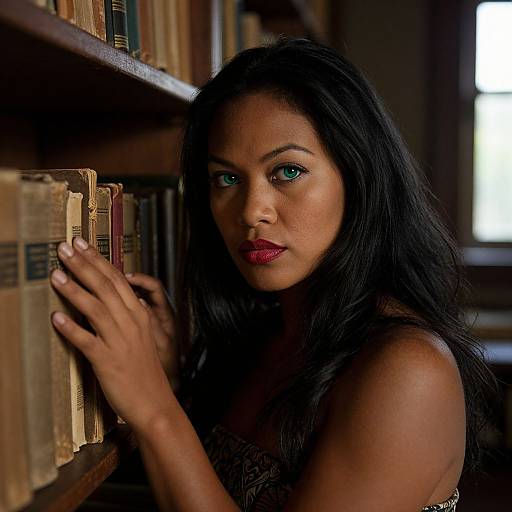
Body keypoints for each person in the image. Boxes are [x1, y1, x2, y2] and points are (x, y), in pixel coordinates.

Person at [49, 38, 498, 511]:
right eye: (226, 178)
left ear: (359, 176)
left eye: (286, 171)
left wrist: (154, 406)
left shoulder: (407, 370)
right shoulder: (264, 332)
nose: (251, 211)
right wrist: (175, 387)